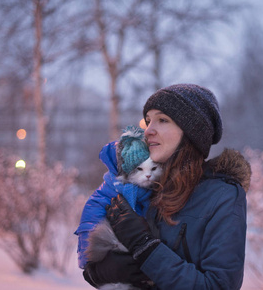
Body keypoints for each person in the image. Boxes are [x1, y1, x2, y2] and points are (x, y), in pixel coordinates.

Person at [77, 83, 250, 289]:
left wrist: (145, 247)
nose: (148, 130)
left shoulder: (223, 195)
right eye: (148, 121)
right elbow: (98, 263)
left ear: (190, 132)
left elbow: (218, 285)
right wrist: (99, 273)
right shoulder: (143, 186)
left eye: (162, 120)